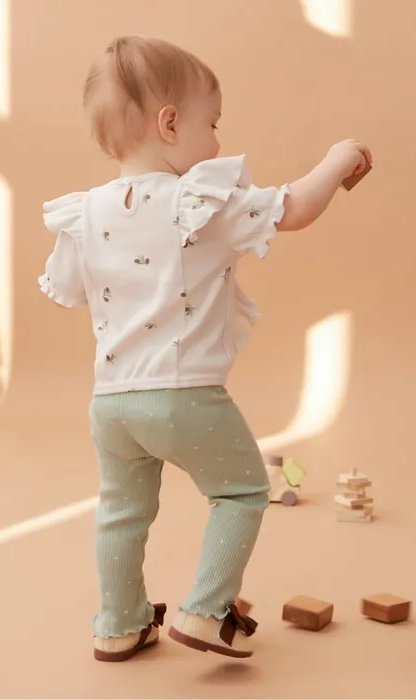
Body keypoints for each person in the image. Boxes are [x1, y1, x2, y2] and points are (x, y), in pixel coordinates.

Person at [39, 35, 372, 662]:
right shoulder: (198, 201)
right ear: (170, 124)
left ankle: (119, 623)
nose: (217, 142)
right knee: (242, 491)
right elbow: (295, 208)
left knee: (121, 512)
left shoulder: (84, 214)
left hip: (111, 405)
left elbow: (71, 291)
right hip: (184, 396)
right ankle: (206, 608)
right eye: (211, 124)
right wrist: (339, 159)